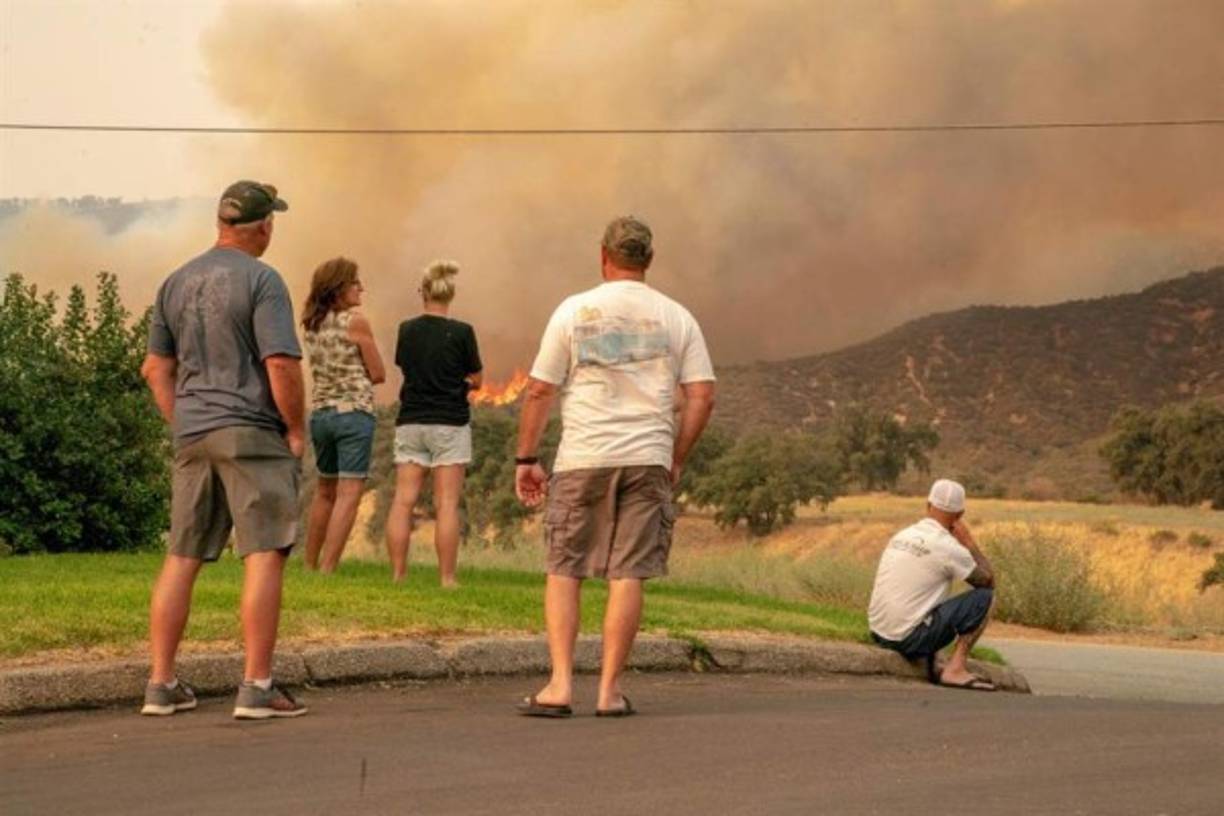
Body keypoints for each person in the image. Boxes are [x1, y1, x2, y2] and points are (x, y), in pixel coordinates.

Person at [514, 215, 716, 717]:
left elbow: (540, 389)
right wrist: (676, 455)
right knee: (627, 574)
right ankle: (608, 691)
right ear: (648, 259)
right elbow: (702, 396)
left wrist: (526, 458)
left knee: (565, 568)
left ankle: (560, 686)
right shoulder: (677, 317)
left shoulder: (573, 310)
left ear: (603, 255)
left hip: (584, 454)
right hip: (646, 456)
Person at [140, 180, 308, 720]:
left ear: (221, 223)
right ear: (264, 226)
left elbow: (154, 369)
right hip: (251, 433)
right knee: (263, 553)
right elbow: (280, 363)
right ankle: (257, 686)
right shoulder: (263, 280)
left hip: (194, 433)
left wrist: (183, 420)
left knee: (182, 556)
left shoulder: (175, 281)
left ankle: (161, 685)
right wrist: (296, 427)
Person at [385, 261, 482, 586]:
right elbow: (477, 378)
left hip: (411, 421)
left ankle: (398, 575)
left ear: (423, 293)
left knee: (403, 500)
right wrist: (465, 385)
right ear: (450, 294)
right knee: (447, 504)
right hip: (450, 424)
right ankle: (447, 578)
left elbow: (405, 365)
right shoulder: (463, 332)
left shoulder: (406, 330)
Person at [867, 478, 997, 690]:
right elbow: (988, 581)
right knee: (985, 597)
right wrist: (969, 542)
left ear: (928, 506)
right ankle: (955, 669)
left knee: (927, 596)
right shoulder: (948, 547)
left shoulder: (903, 534)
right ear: (960, 516)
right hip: (907, 639)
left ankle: (935, 661)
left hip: (878, 631)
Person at [301, 257, 385, 573]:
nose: (361, 288)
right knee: (350, 493)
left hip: (321, 414)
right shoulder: (356, 322)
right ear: (338, 288)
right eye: (355, 282)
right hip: (353, 414)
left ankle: (309, 564)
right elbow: (378, 373)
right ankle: (329, 568)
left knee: (324, 491)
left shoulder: (310, 323)